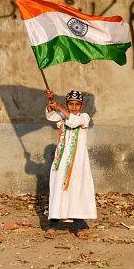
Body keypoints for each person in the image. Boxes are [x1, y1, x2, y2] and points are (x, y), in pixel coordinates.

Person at [43, 89, 96, 239]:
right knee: (57, 190)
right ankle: (53, 225)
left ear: (82, 106)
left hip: (78, 164)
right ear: (67, 104)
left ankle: (79, 226)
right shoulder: (62, 116)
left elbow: (73, 121)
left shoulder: (84, 117)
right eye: (71, 104)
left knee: (77, 191)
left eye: (76, 104)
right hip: (61, 163)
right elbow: (51, 115)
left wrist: (60, 107)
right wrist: (51, 101)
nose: (73, 107)